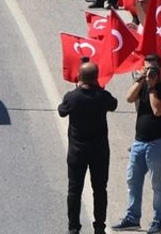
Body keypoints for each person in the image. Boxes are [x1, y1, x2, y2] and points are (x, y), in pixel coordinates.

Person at [112, 55, 161, 234]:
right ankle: (132, 217)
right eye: (147, 68)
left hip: (158, 144)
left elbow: (157, 111)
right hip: (139, 142)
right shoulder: (143, 84)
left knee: (157, 184)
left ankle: (158, 222)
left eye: (153, 68)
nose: (150, 71)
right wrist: (141, 81)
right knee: (133, 180)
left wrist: (153, 87)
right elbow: (129, 98)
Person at [59, 62, 118, 234]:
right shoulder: (102, 96)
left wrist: (76, 89)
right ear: (96, 77)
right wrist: (99, 88)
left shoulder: (73, 97)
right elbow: (113, 104)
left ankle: (73, 227)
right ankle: (99, 226)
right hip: (99, 151)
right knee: (100, 189)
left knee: (74, 189)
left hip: (77, 152)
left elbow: (62, 111)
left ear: (79, 76)